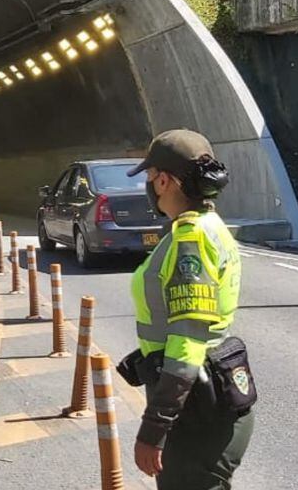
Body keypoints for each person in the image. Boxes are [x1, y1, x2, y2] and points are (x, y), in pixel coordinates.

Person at [121, 129, 256, 490]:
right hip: (205, 401)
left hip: (194, 411)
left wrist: (153, 429)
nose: (149, 186)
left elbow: (187, 343)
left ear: (163, 180)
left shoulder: (191, 239)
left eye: (150, 177)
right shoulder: (208, 225)